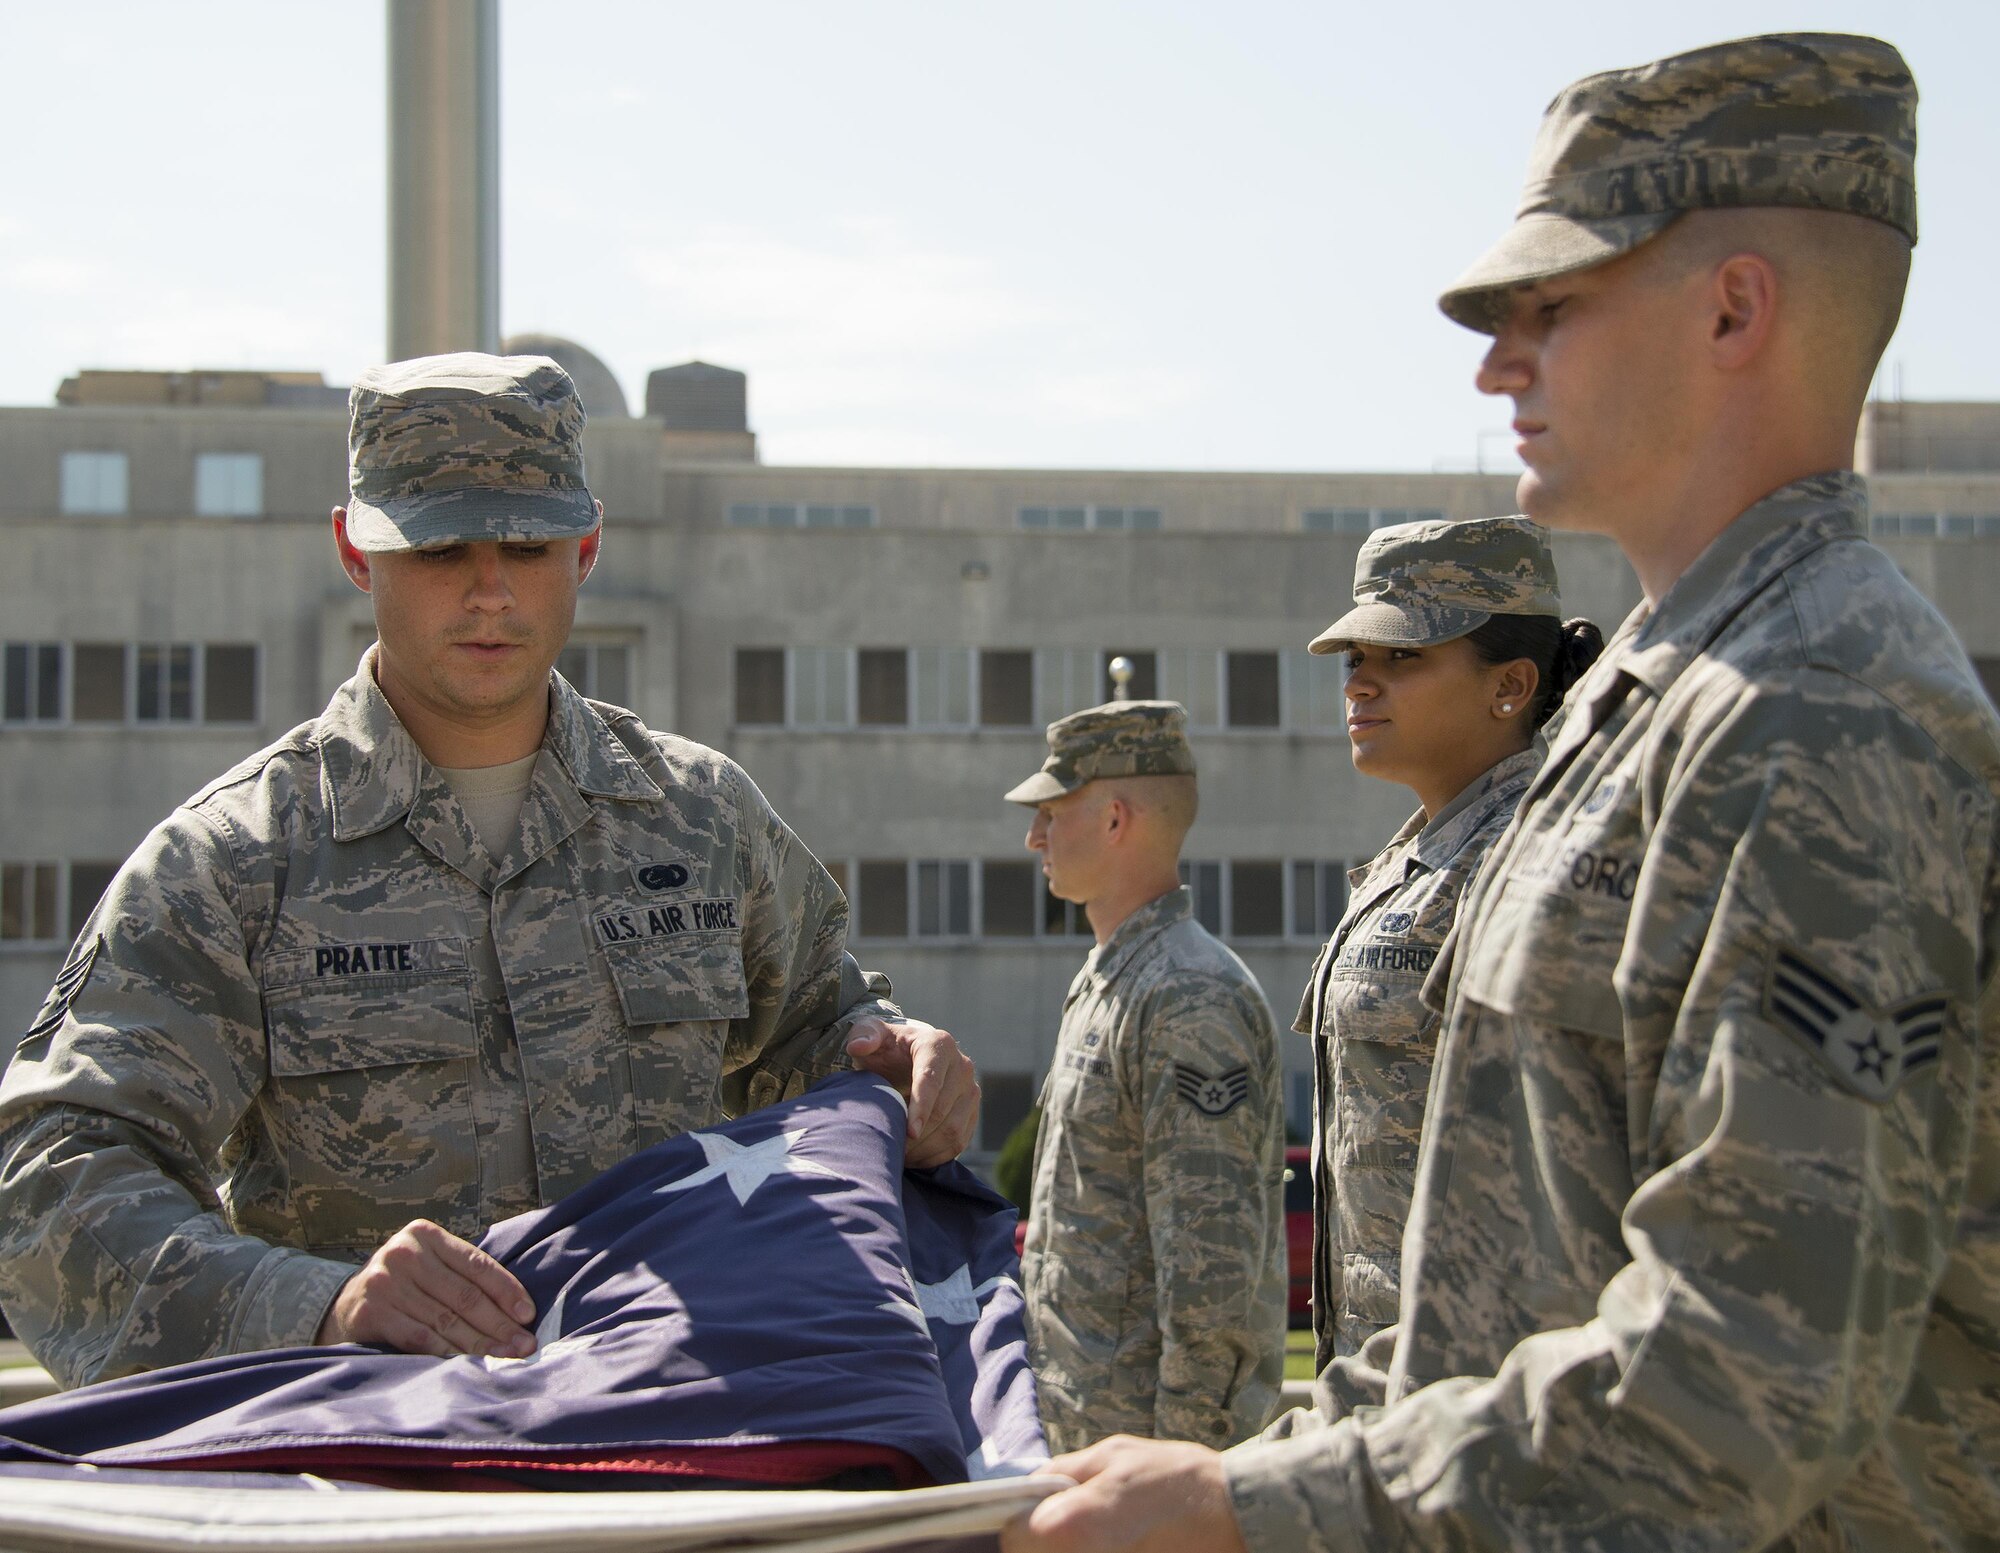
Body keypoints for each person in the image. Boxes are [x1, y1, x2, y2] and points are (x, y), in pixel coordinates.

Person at [1003, 32, 1999, 1553]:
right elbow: (1480, 1287)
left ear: (1736, 307)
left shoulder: (1824, 713)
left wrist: (1251, 1504)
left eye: (1554, 305)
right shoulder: (1655, 699)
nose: (1495, 363)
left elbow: (1750, 1374)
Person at [0, 353, 977, 1390]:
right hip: (372, 1477)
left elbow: (826, 1045)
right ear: (354, 550)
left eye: (527, 543)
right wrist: (313, 1304)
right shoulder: (238, 861)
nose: (488, 591)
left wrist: (905, 1079)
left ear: (587, 545)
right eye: (438, 547)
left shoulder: (701, 821)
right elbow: (48, 1181)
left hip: (666, 1453)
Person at [1296, 516, 1599, 1370]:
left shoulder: (1533, 858)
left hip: (1474, 1398)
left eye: (1403, 657)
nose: (1359, 684)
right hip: (1390, 1395)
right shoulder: (1424, 855)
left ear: (1510, 685)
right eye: (1356, 659)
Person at [1006, 699, 1286, 1453]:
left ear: (1114, 819)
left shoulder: (1187, 994)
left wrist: (1184, 1471)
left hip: (1148, 1464)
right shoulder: (1113, 978)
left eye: (1051, 811)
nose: (1034, 835)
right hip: (1088, 1442)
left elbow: (1211, 1275)